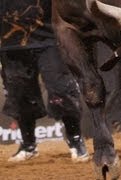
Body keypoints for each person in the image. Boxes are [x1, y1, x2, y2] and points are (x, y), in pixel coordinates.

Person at [0, 0, 89, 162]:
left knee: (62, 90)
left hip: (50, 40)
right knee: (19, 97)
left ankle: (75, 140)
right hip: (10, 45)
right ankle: (28, 146)